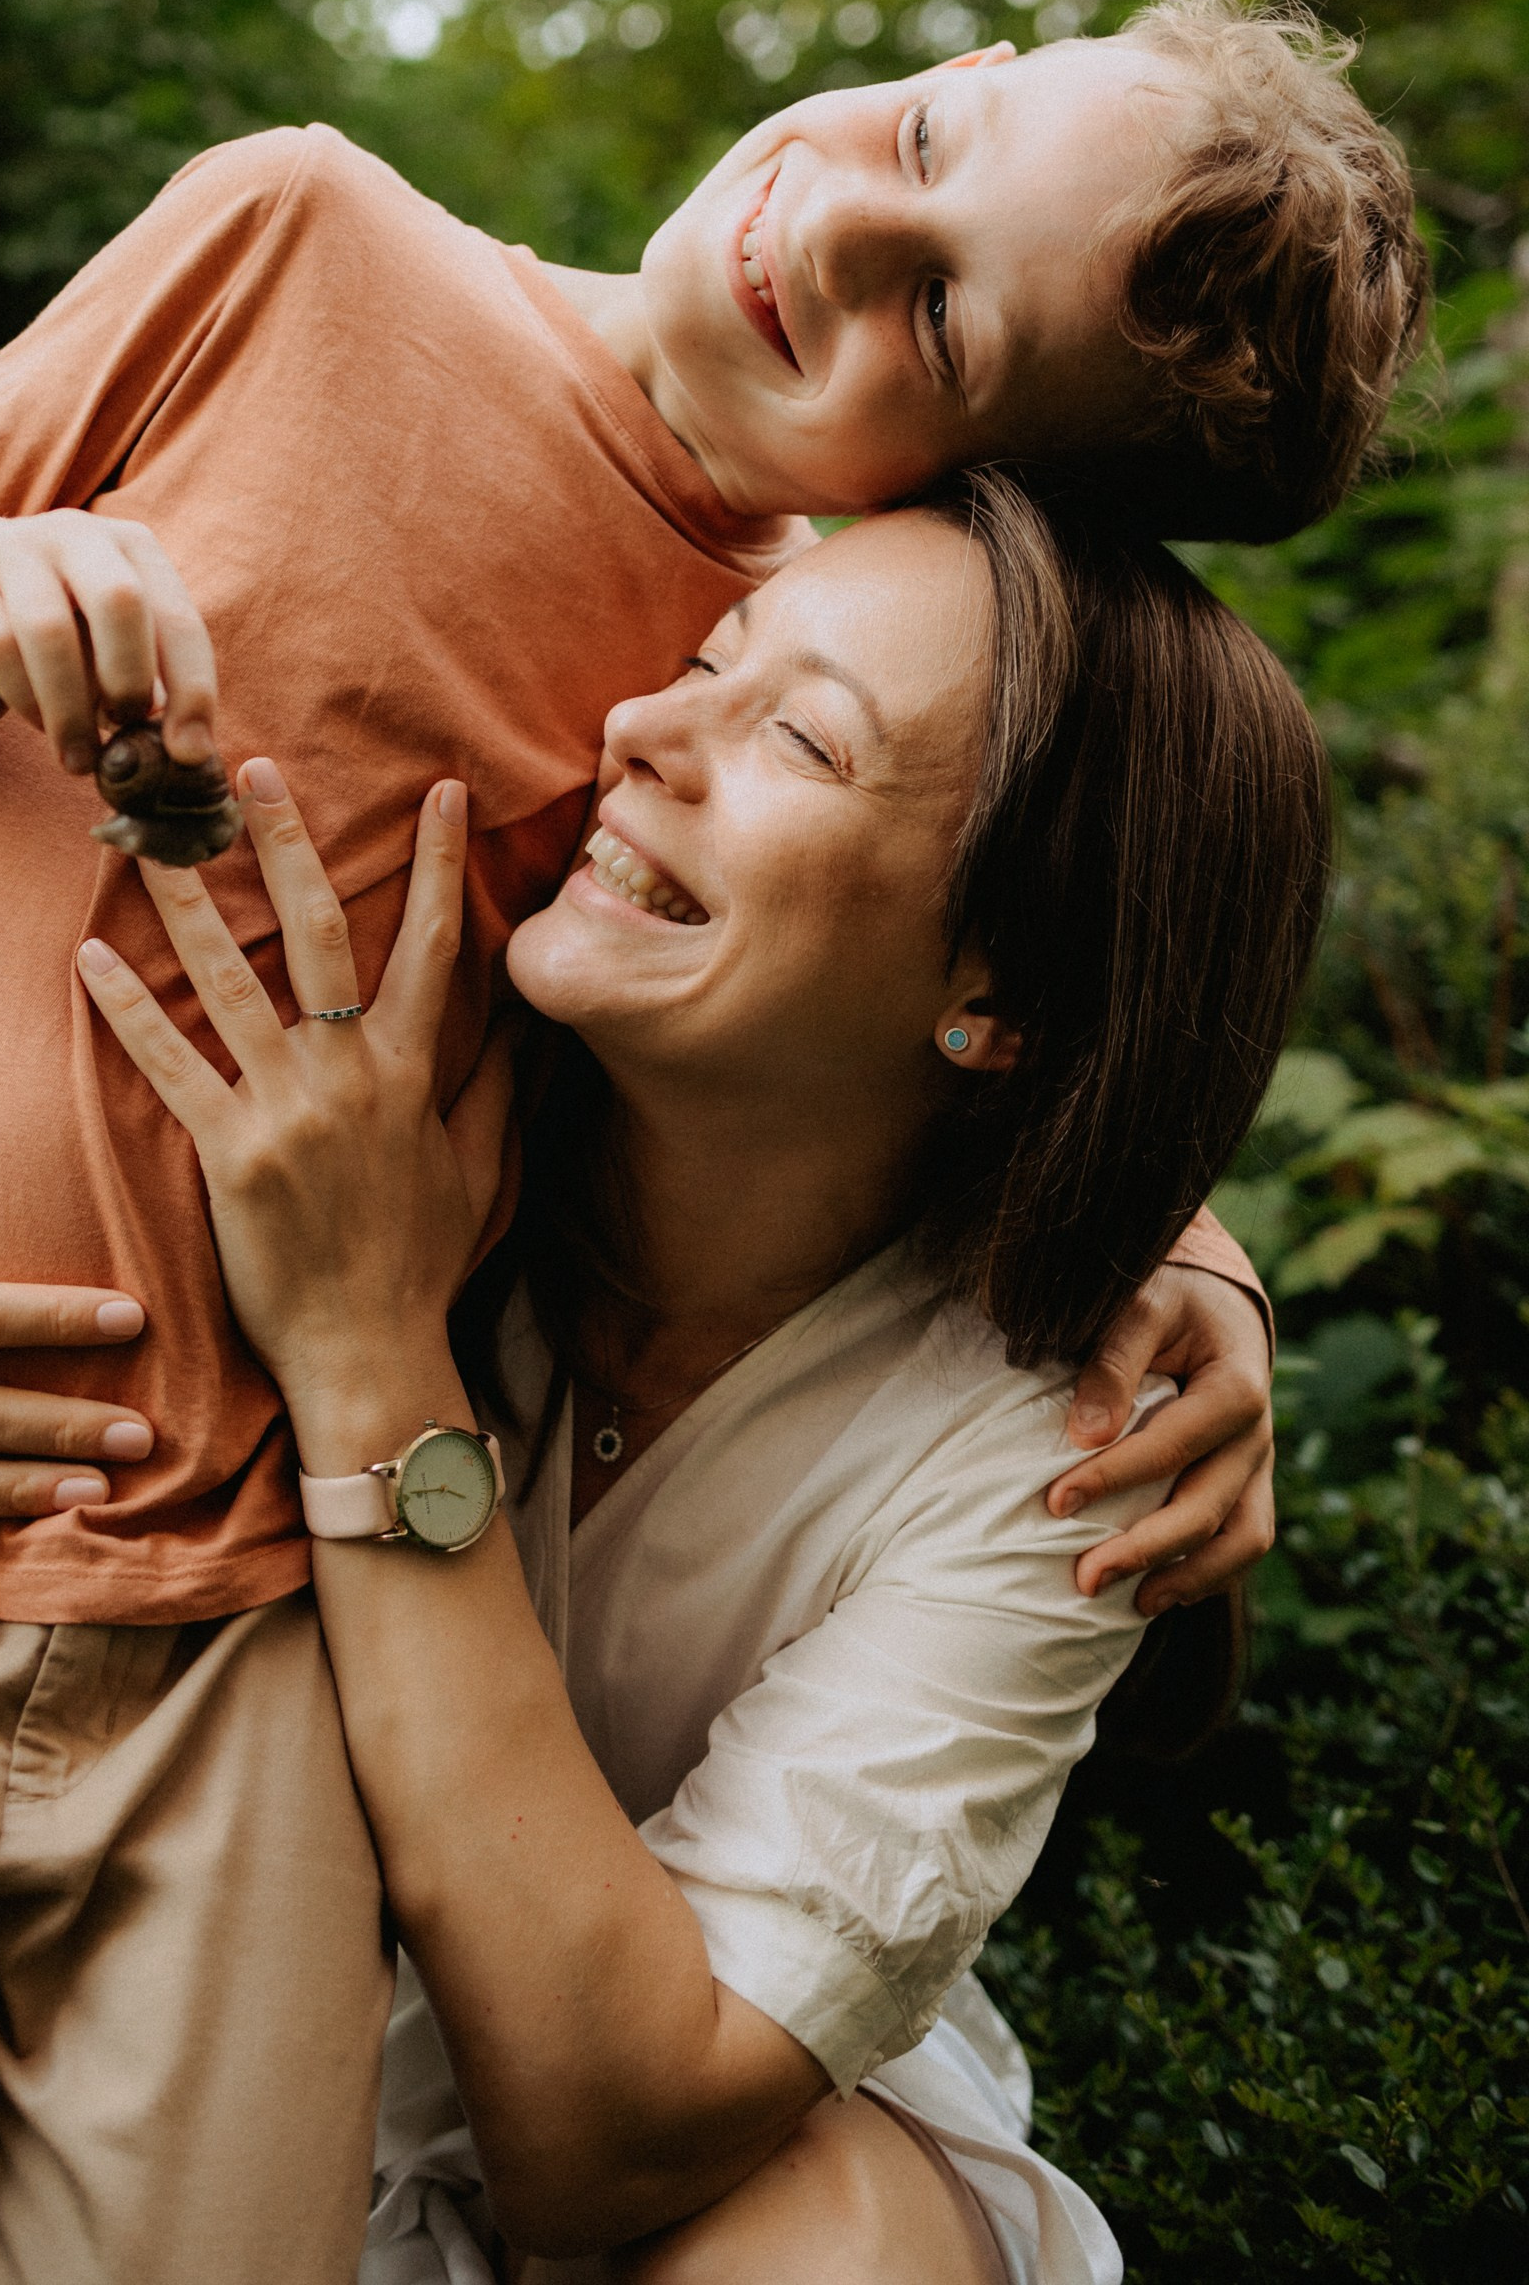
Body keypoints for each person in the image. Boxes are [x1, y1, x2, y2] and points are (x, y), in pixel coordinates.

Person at [0, 0, 1403, 2281]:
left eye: (937, 306)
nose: (835, 221)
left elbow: (1001, 938)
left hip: (229, 1624)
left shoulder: (757, 655)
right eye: (926, 122)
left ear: (955, 498)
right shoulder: (318, 252)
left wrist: (1161, 1239)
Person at [72, 480, 1332, 2283]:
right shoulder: (405, 1044)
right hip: (209, 2050)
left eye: (801, 738)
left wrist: (367, 1356)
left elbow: (621, 2127)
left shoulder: (1056, 1445)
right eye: (703, 658)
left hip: (692, 2143)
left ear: (1002, 993)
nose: (645, 730)